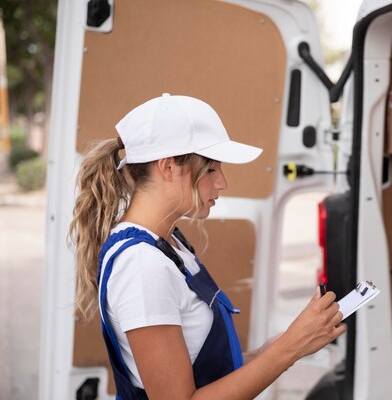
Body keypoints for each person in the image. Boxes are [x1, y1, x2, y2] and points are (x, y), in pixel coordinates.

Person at [69, 93, 345, 400]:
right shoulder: (142, 266)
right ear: (168, 167)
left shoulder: (170, 246)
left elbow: (205, 377)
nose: (222, 182)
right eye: (211, 168)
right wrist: (291, 347)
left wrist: (283, 344)